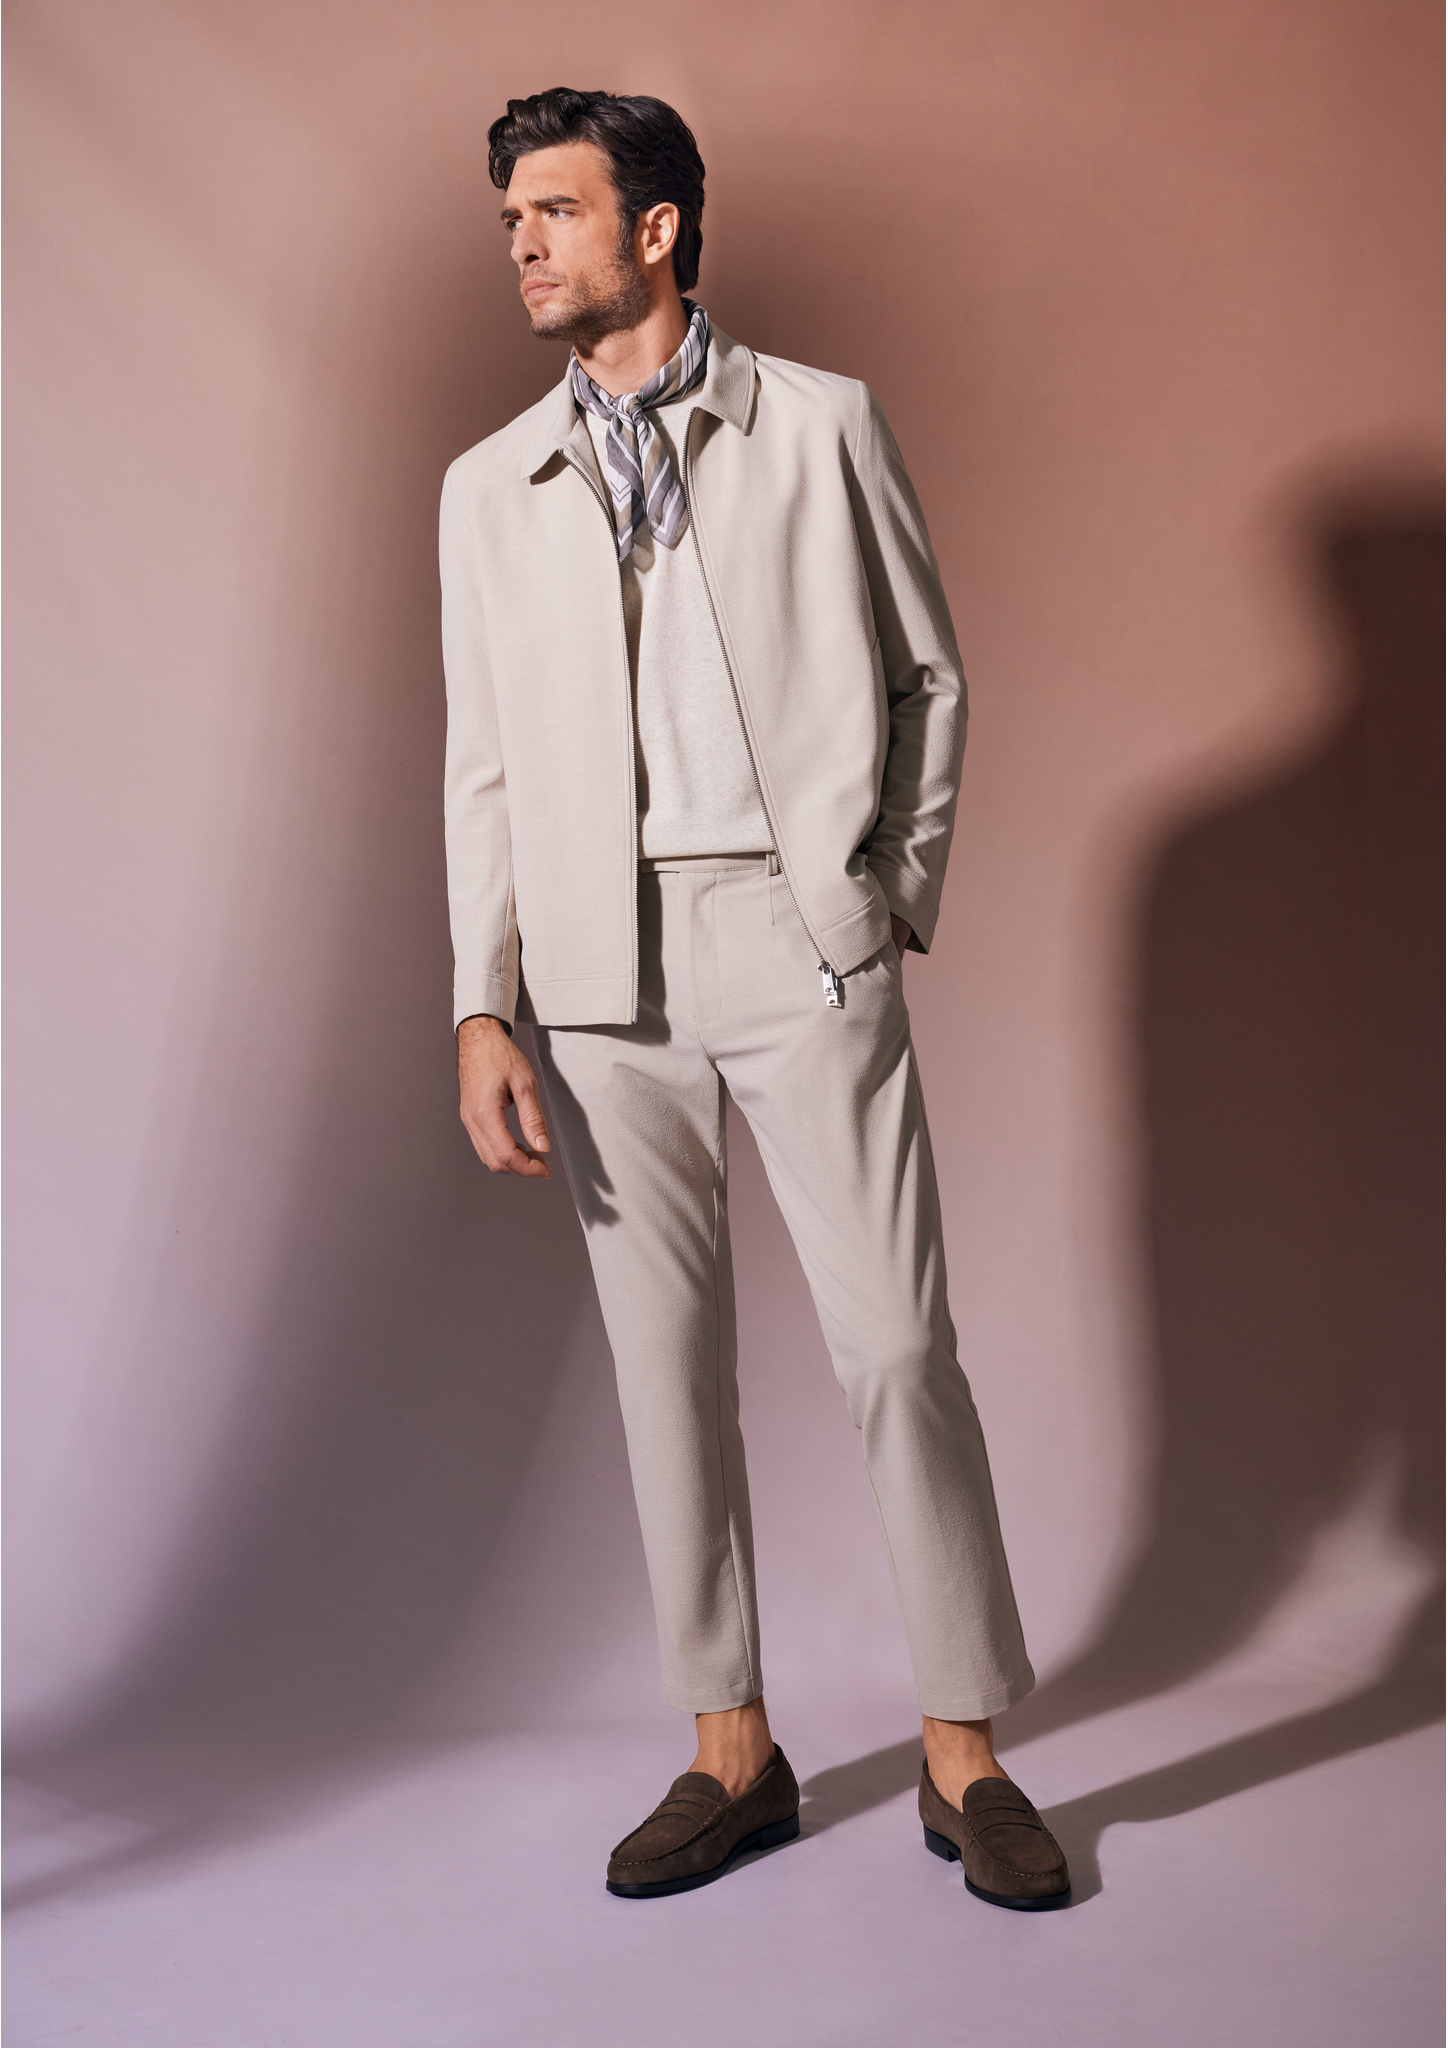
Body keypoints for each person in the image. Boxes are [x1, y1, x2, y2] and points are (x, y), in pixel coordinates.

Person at [440, 86, 1069, 1910]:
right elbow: (483, 764)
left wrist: (880, 900)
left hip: (797, 943)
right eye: (510, 220)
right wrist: (483, 1002)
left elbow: (929, 680)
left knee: (895, 1347)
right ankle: (732, 1751)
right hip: (593, 972)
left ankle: (965, 1751)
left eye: (556, 212)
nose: (524, 246)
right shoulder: (489, 489)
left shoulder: (820, 425)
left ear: (656, 227)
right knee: (663, 1369)